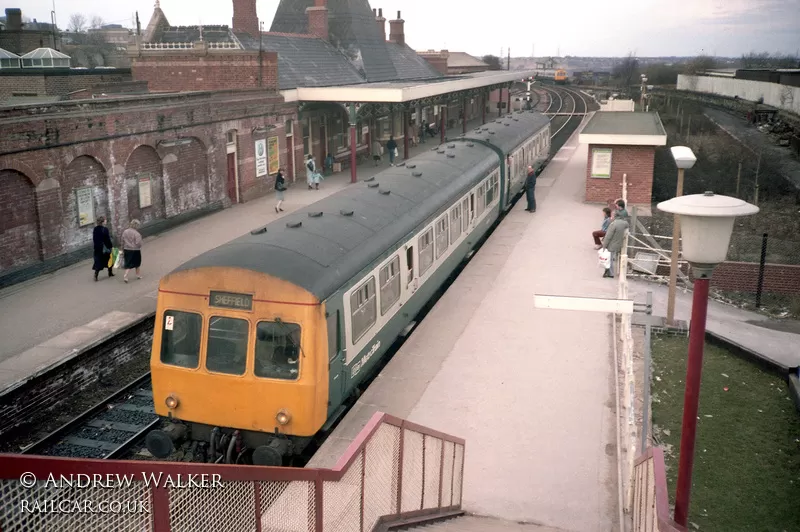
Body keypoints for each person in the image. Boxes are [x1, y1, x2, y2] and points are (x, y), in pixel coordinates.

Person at [601, 210, 630, 278]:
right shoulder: (624, 223)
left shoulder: (613, 224)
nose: (611, 217)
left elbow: (608, 236)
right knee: (613, 258)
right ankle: (609, 272)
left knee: (609, 259)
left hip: (612, 244)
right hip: (619, 243)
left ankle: (610, 273)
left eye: (612, 216)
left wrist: (604, 246)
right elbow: (627, 227)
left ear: (614, 216)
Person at [92, 216, 114, 281]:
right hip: (105, 248)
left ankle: (96, 274)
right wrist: (111, 246)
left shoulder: (95, 229)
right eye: (105, 220)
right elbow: (107, 239)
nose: (106, 221)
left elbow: (94, 239)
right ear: (103, 222)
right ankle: (110, 273)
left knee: (98, 261)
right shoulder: (105, 229)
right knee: (109, 259)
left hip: (98, 248)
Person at [121, 219, 143, 283]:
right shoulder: (137, 234)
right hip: (135, 250)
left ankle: (125, 275)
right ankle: (138, 275)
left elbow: (122, 241)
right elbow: (138, 243)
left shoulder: (125, 231)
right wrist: (139, 246)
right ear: (136, 226)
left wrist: (122, 248)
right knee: (137, 263)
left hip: (126, 249)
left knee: (128, 263)